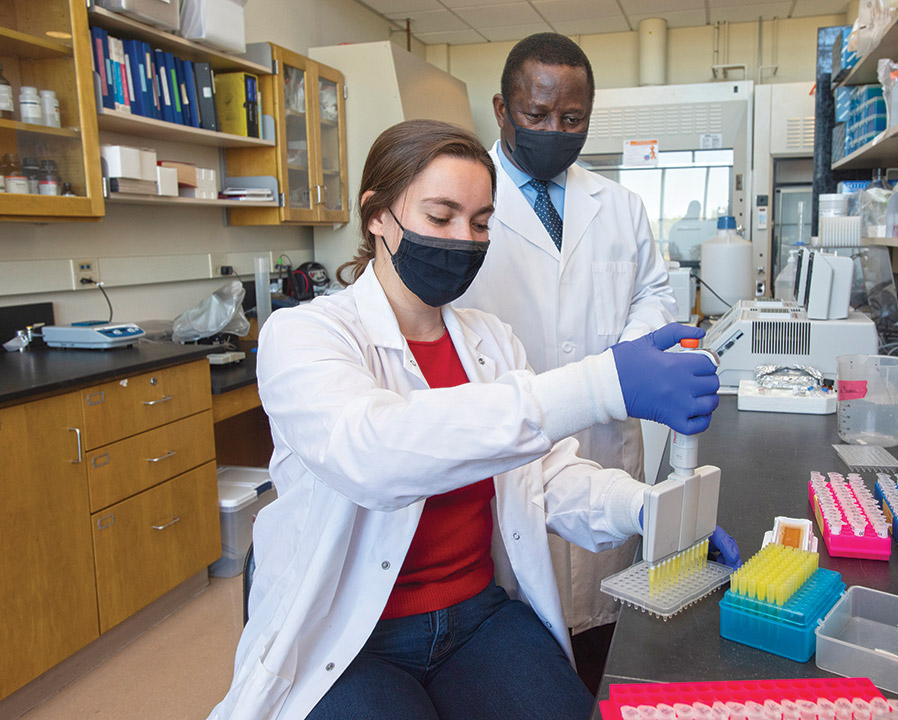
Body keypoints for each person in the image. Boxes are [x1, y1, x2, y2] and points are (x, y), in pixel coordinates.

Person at [207, 119, 720, 720]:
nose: (463, 239)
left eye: (479, 223)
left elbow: (546, 476)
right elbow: (375, 454)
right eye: (440, 216)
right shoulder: (305, 335)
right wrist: (602, 384)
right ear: (377, 214)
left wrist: (648, 509)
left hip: (476, 615)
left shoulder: (491, 341)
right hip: (352, 633)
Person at [456, 33, 678, 662]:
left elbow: (653, 294)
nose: (555, 129)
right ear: (502, 110)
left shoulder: (621, 206)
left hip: (606, 439)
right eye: (537, 115)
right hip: (508, 444)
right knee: (515, 632)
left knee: (605, 630)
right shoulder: (464, 207)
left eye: (572, 118)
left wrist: (622, 365)